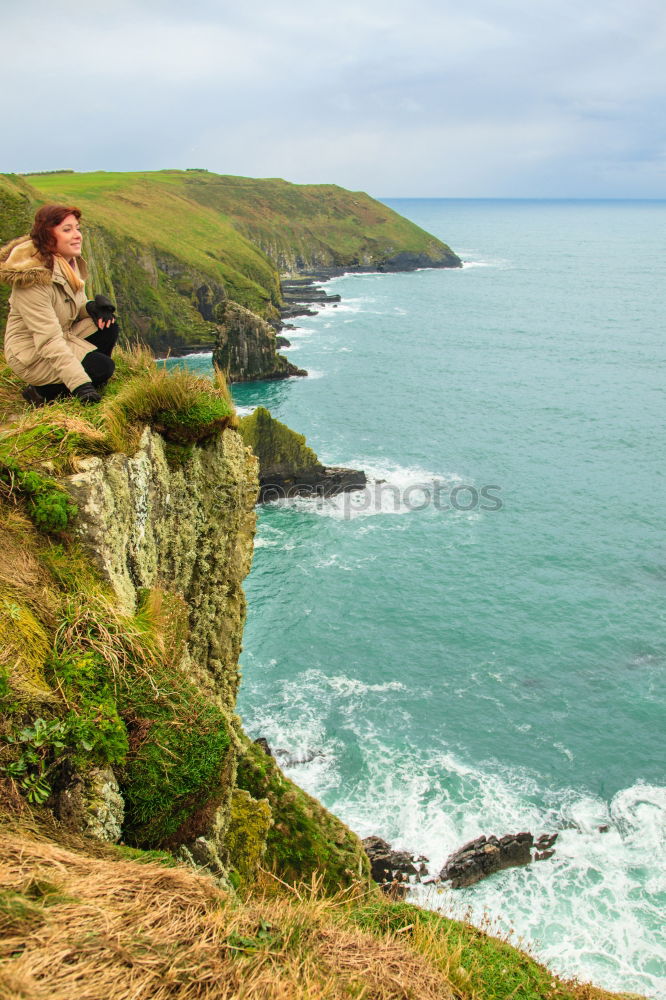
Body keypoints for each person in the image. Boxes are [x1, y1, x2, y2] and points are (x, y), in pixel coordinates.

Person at [0, 204, 118, 406]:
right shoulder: (32, 280)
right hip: (32, 354)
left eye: (77, 228)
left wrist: (90, 308)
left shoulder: (66, 263)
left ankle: (89, 376)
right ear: (48, 235)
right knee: (102, 368)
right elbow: (48, 341)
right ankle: (42, 393)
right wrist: (81, 385)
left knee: (108, 325)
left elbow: (72, 305)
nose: (77, 235)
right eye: (67, 230)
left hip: (62, 335)